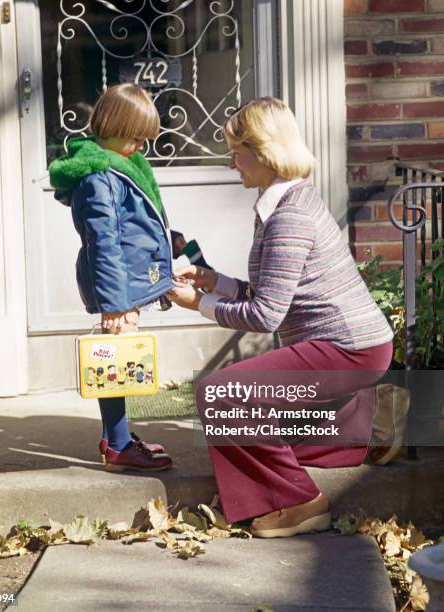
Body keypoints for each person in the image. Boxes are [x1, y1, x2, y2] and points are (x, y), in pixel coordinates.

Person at [167, 97, 394, 537]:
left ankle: (300, 500)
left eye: (237, 151)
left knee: (220, 396)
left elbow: (267, 314)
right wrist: (209, 280)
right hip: (353, 347)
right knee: (273, 433)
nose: (231, 162)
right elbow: (269, 292)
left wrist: (199, 304)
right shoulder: (287, 200)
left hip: (348, 350)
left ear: (264, 150)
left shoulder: (289, 215)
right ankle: (370, 425)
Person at [49, 83, 181, 472]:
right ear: (113, 125)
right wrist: (114, 303)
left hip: (129, 278)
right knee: (117, 359)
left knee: (119, 357)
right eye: (135, 138)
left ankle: (115, 437)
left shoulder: (118, 165)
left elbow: (137, 222)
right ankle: (119, 445)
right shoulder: (98, 177)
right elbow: (103, 243)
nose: (141, 146)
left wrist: (171, 244)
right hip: (118, 283)